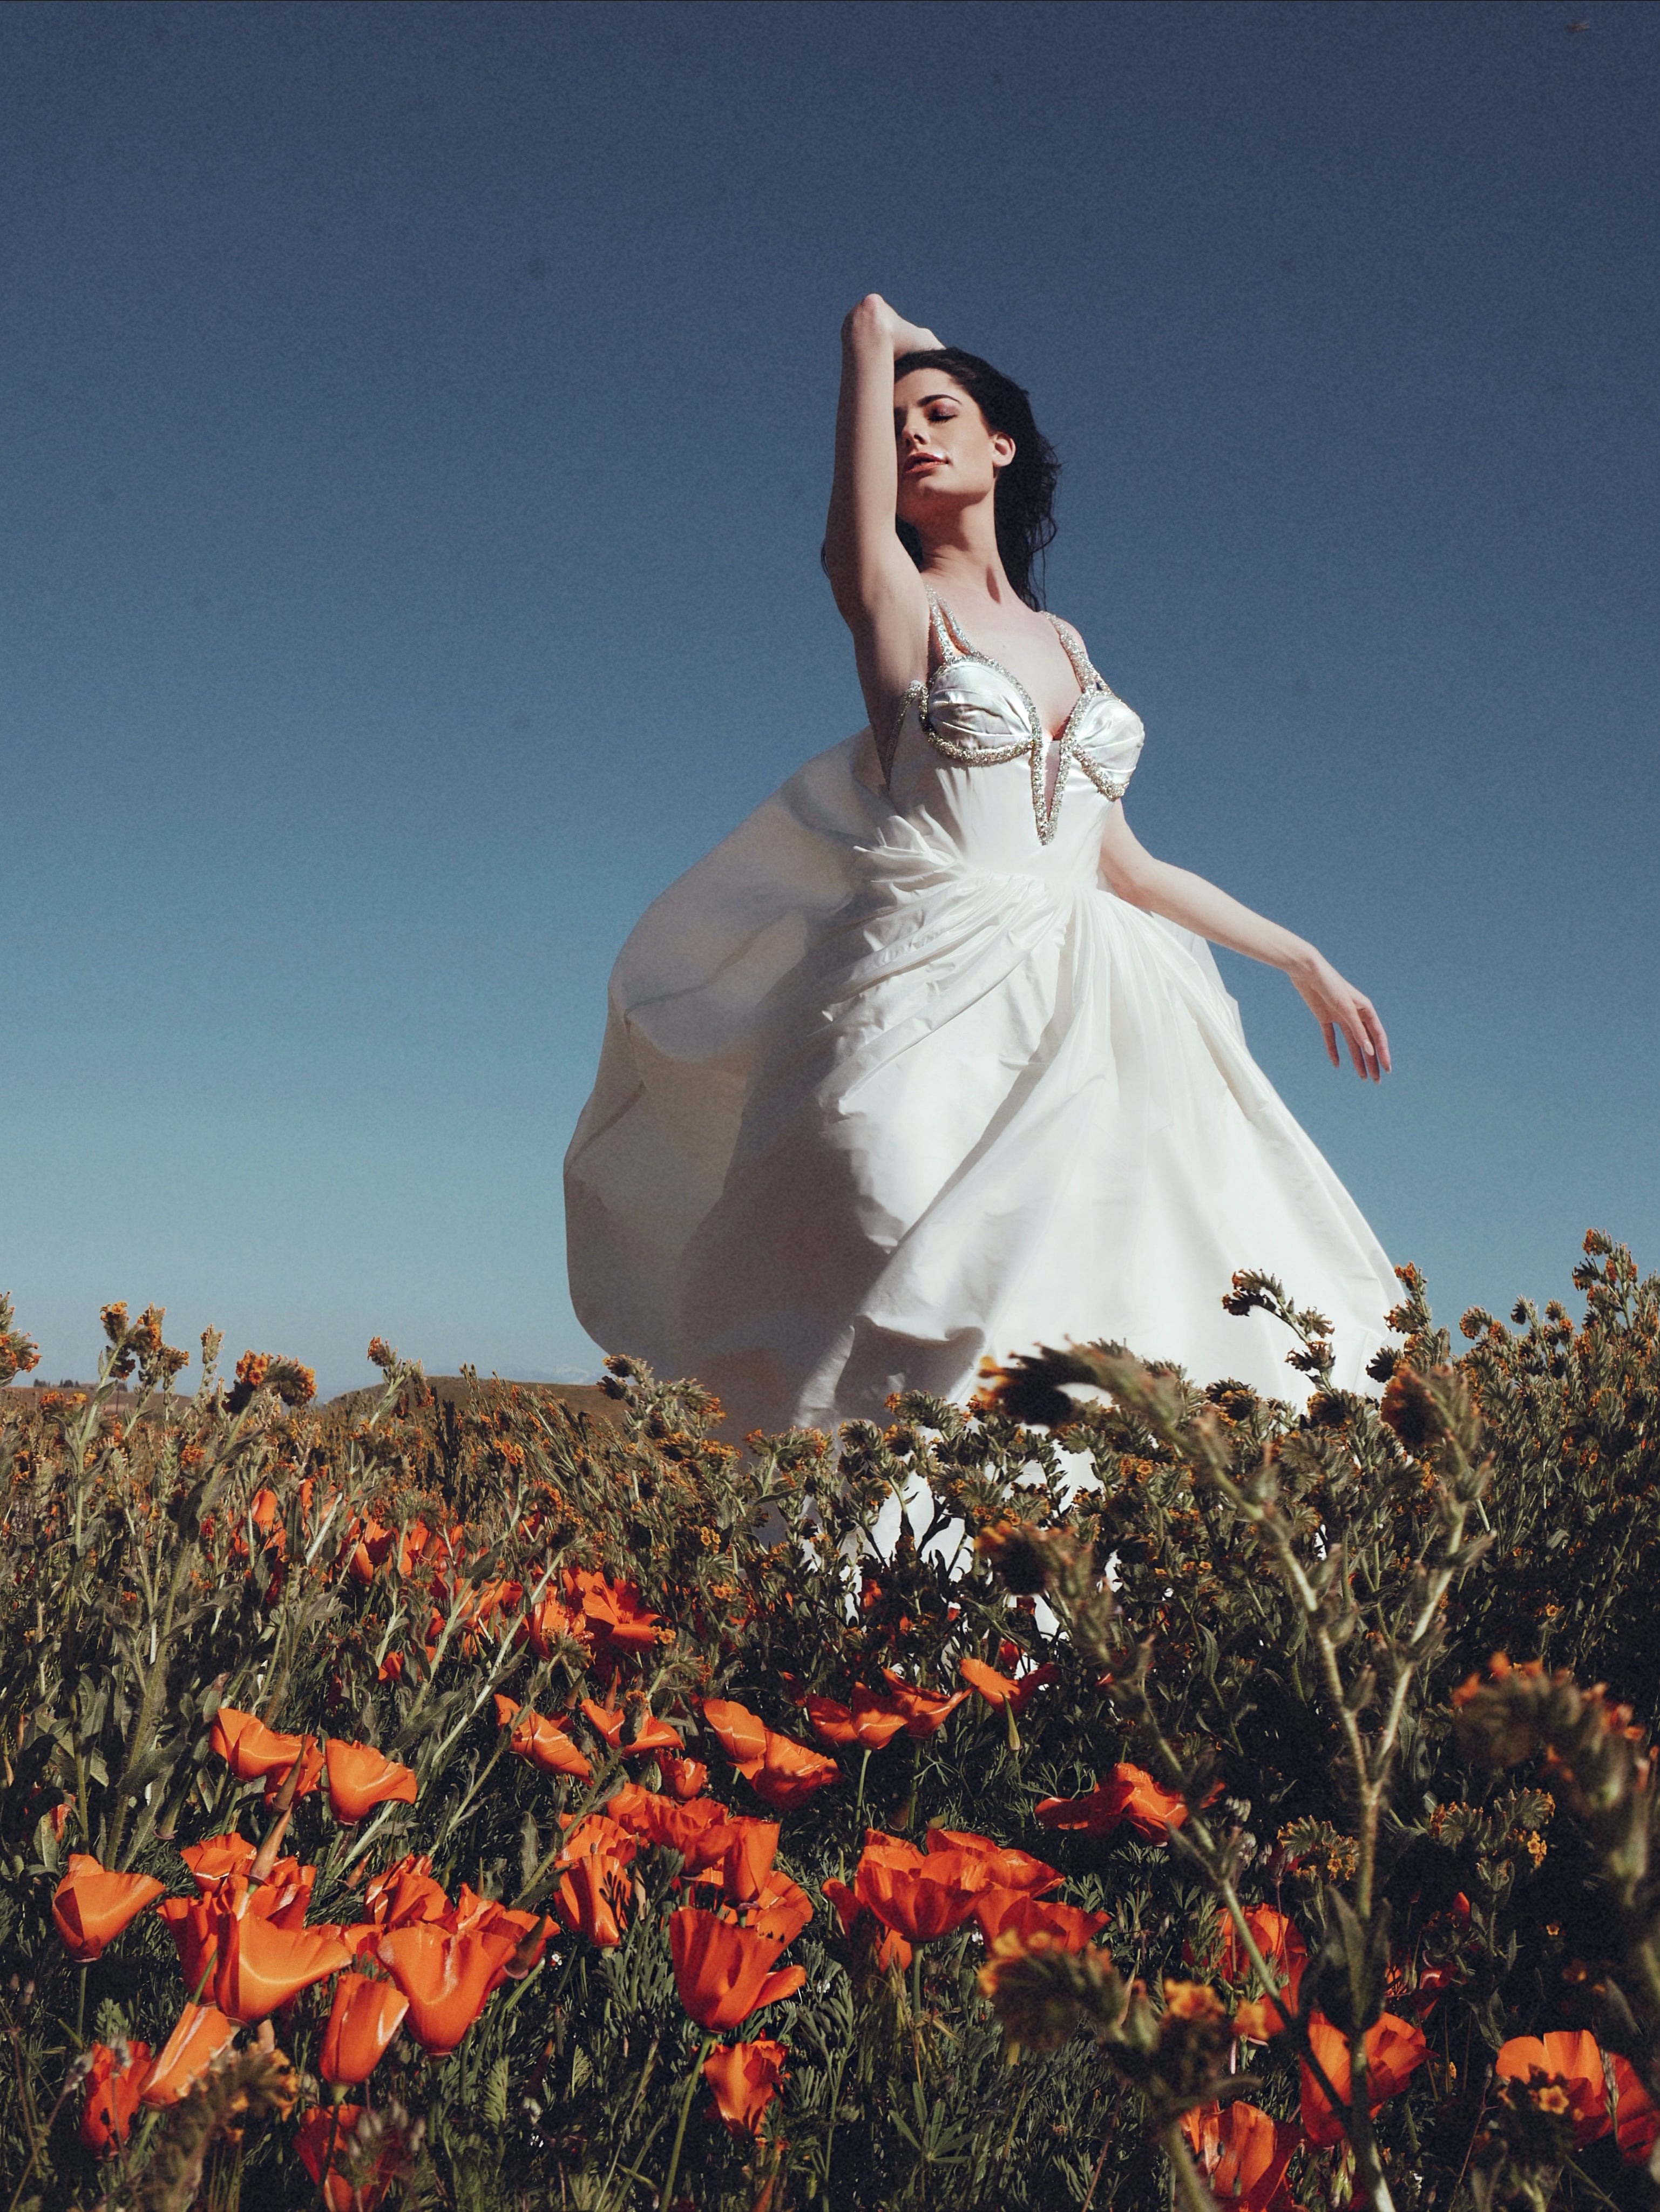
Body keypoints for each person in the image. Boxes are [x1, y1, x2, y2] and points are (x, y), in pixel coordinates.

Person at [565, 295, 1397, 1437]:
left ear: (1001, 444)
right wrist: (874, 338)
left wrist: (1296, 955)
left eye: (940, 411)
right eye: (895, 420)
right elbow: (842, 549)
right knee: (890, 1206)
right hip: (925, 982)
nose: (913, 433)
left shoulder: (1068, 646)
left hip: (1099, 999)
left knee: (1106, 1277)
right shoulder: (902, 607)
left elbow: (1128, 866)